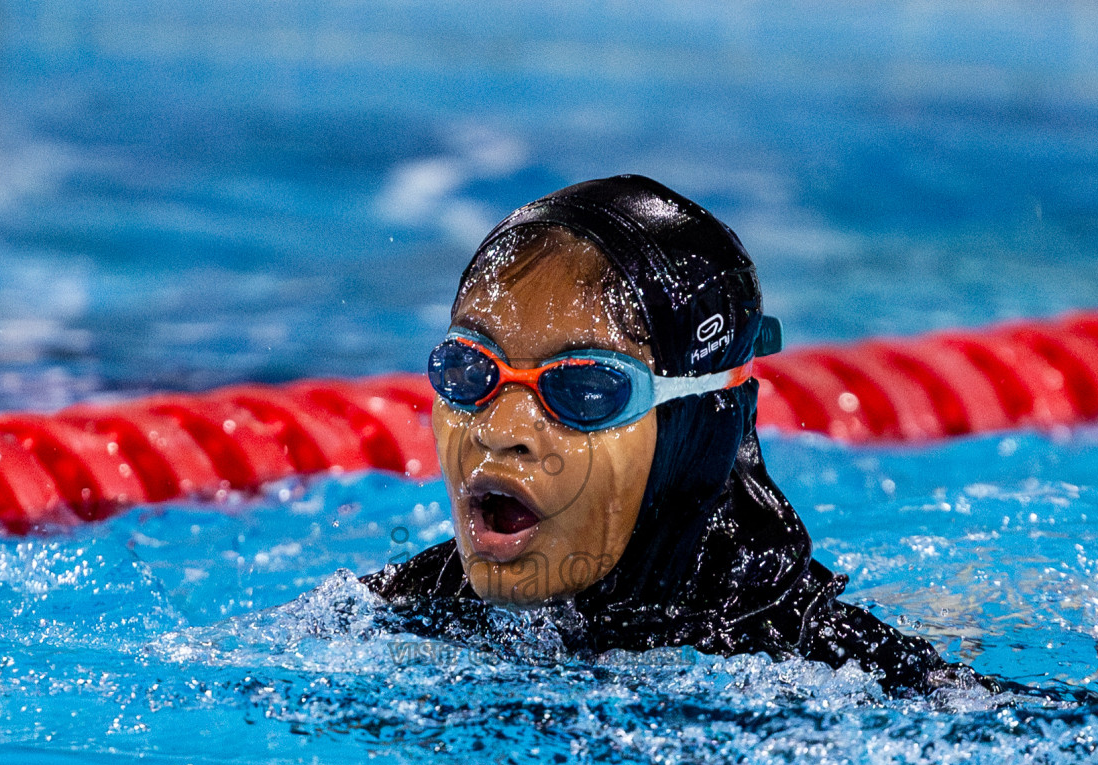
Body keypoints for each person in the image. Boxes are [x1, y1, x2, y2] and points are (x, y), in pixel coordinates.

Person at [362, 175, 988, 697]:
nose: (501, 432)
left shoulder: (812, 667)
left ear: (694, 430)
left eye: (585, 390)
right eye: (471, 372)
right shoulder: (403, 610)